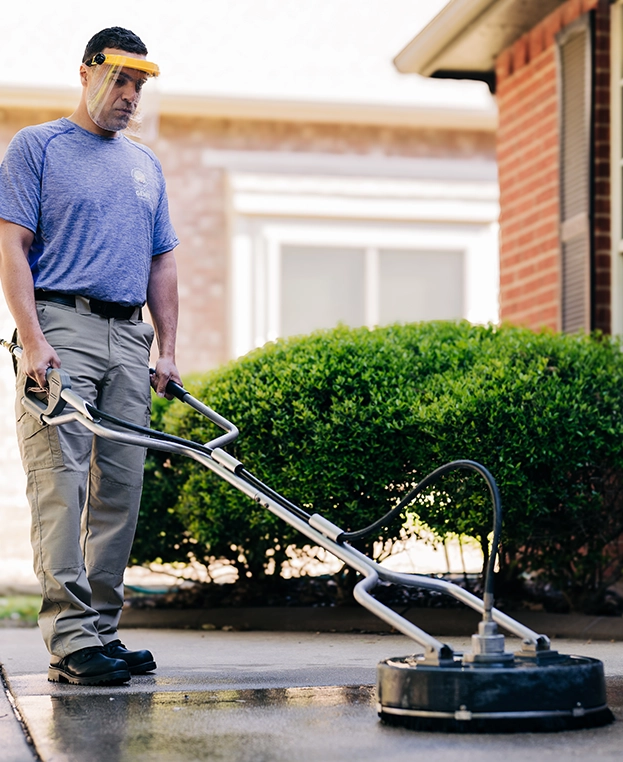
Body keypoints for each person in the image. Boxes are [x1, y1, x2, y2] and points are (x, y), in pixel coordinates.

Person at [0, 27, 181, 686]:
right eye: (120, 79)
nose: (130, 95)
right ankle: (71, 639)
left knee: (120, 493)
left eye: (140, 84)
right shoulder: (38, 147)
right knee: (60, 485)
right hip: (61, 326)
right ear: (86, 74)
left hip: (129, 337)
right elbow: (11, 245)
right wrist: (34, 340)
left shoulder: (144, 165)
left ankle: (100, 629)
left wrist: (168, 348)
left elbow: (162, 262)